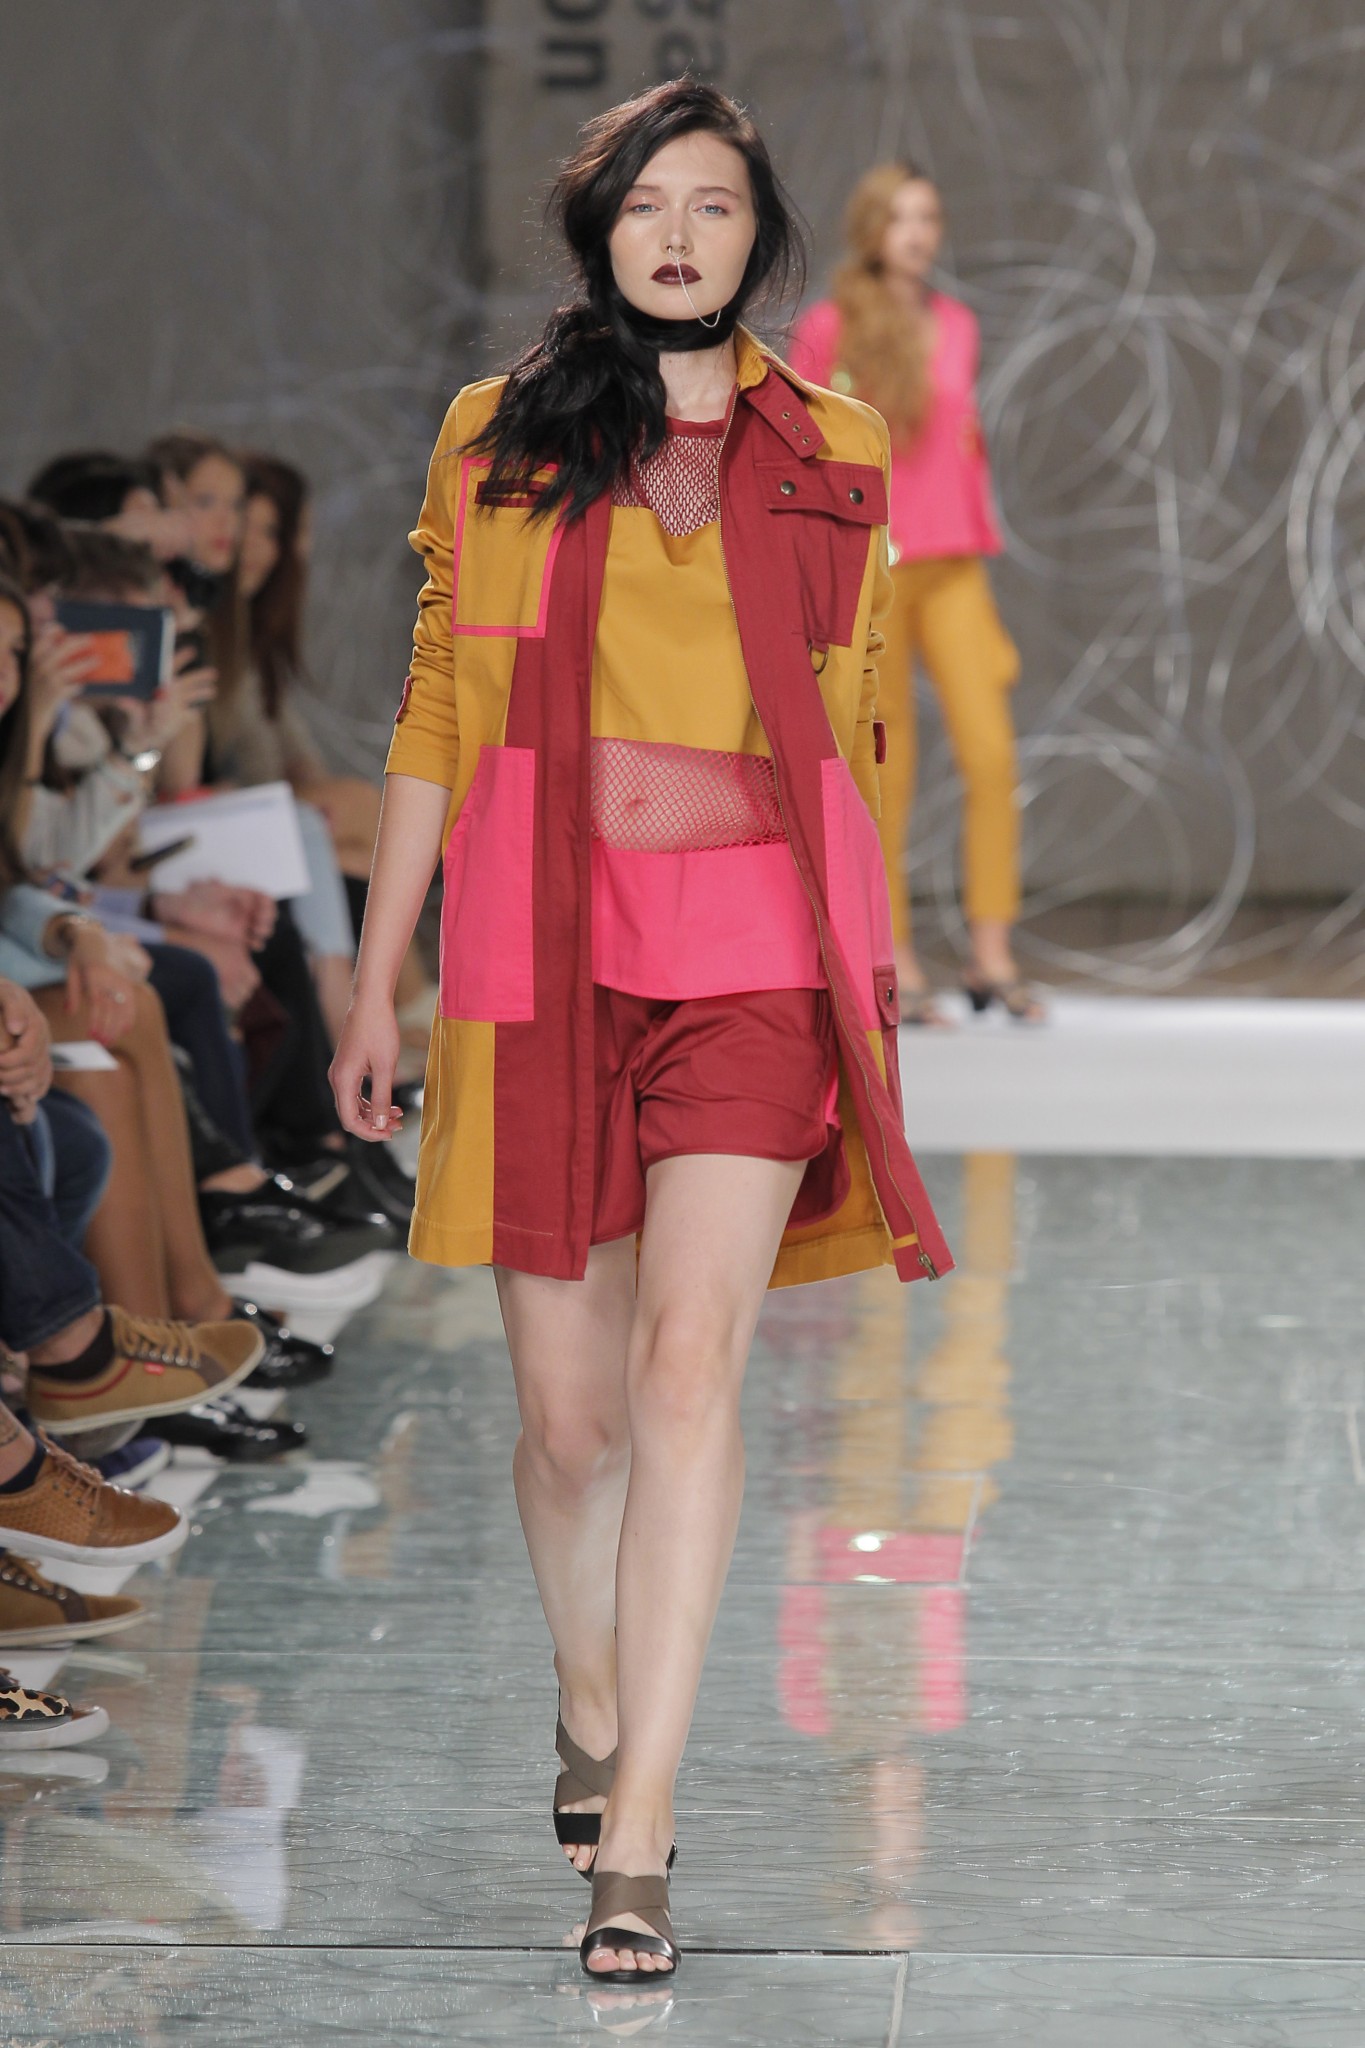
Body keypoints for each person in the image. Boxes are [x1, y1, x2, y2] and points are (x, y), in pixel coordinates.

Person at [330, 79, 952, 1982]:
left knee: (692, 1371)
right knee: (571, 1418)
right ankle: (590, 1697)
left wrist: (875, 963)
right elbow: (438, 708)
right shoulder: (498, 432)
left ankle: (647, 1826)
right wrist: (374, 972)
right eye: (646, 204)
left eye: (714, 204)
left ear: (761, 235)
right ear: (598, 229)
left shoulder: (833, 443)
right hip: (542, 947)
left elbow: (857, 724)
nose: (679, 235)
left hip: (758, 953)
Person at [790, 164, 1043, 1023]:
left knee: (991, 752)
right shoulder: (830, 327)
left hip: (956, 561)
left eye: (927, 216)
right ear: (870, 227)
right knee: (883, 767)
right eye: (899, 217)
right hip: (875, 569)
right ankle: (891, 951)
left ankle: (990, 950)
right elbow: (806, 450)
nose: (916, 232)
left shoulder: (957, 324)